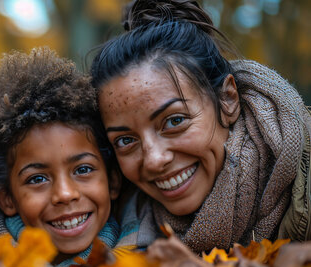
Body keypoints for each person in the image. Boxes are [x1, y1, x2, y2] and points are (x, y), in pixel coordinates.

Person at [90, 0, 311, 253]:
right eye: (126, 141)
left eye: (174, 121)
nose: (153, 160)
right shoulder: (110, 229)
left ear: (228, 100)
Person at [0, 47, 123, 267]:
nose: (65, 194)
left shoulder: (151, 255)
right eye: (37, 179)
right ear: (6, 198)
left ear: (113, 180)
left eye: (83, 170)